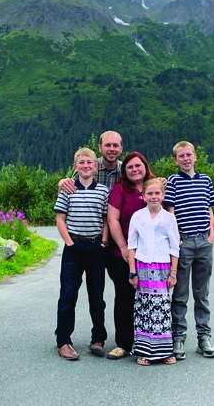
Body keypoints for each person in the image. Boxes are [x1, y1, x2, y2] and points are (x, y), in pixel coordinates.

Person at [163, 141, 214, 360]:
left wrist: (211, 234)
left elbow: (208, 206)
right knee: (180, 293)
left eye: (189, 155)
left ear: (195, 156)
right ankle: (178, 337)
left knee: (202, 293)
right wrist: (177, 239)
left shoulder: (206, 180)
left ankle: (204, 338)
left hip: (204, 241)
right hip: (184, 242)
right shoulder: (174, 181)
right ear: (176, 160)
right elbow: (171, 210)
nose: (185, 159)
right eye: (181, 156)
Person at [54, 147, 110, 360]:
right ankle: (63, 341)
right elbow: (60, 219)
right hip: (74, 247)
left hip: (96, 247)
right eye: (81, 163)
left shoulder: (103, 191)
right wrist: (69, 243)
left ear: (96, 166)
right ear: (75, 166)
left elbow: (105, 219)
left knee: (97, 295)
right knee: (68, 295)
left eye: (89, 163)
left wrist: (104, 242)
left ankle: (98, 339)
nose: (86, 166)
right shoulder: (68, 189)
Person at [105, 151, 158, 360]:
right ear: (124, 171)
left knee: (152, 297)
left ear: (145, 166)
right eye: (130, 167)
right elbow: (113, 220)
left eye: (138, 166)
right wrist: (124, 247)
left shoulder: (154, 187)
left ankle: (151, 340)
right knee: (124, 297)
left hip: (152, 255)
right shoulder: (119, 190)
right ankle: (124, 343)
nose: (135, 170)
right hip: (122, 254)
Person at [127, 179, 180, 366]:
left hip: (162, 268)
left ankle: (165, 351)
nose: (154, 197)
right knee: (144, 307)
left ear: (163, 196)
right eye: (150, 193)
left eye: (157, 193)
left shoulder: (169, 218)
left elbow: (175, 247)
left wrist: (173, 273)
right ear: (143, 196)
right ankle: (145, 351)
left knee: (162, 308)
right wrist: (132, 272)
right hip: (142, 267)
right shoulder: (137, 217)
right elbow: (131, 246)